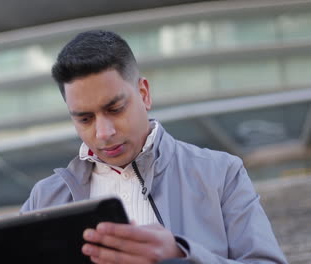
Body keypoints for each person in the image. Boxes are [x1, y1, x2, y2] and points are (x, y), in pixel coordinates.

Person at [20, 30, 288, 263]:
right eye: (85, 119)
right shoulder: (45, 199)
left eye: (115, 109)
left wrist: (182, 256)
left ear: (144, 94)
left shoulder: (220, 173)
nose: (104, 133)